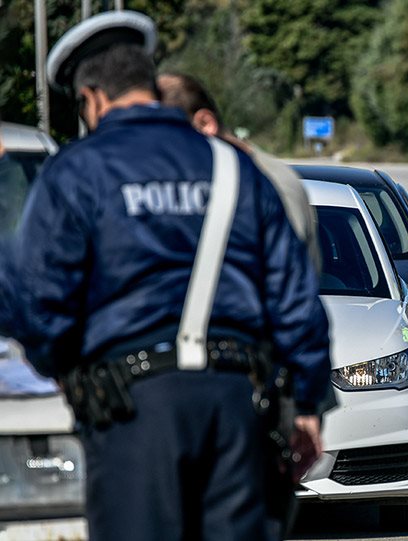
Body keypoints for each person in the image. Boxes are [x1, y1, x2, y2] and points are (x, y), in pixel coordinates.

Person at [2, 11, 331, 540]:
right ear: (148, 83)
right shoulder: (232, 167)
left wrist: (66, 368)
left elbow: (34, 299)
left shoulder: (76, 171)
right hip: (237, 406)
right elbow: (294, 298)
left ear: (92, 98)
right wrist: (309, 404)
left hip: (130, 412)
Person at [156, 71, 322, 273]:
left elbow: (289, 283)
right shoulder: (190, 181)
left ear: (205, 124)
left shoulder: (271, 183)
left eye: (167, 137)